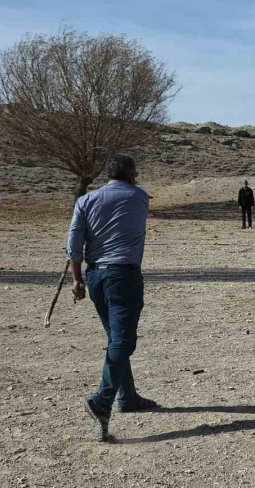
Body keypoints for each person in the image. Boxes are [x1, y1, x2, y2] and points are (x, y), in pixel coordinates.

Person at [67, 153, 157, 442]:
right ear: (131, 174)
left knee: (115, 339)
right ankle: (102, 401)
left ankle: (128, 398)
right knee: (123, 341)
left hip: (95, 276)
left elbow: (74, 244)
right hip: (124, 276)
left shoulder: (85, 201)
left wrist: (76, 279)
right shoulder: (139, 197)